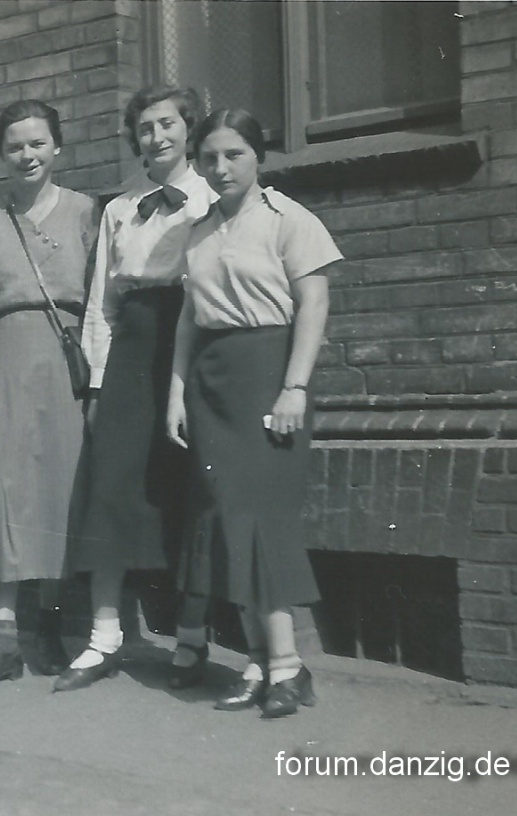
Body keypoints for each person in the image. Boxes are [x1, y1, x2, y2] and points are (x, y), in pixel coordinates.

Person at [166, 108, 340, 718]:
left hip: (270, 375)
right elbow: (189, 319)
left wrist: (295, 387)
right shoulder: (196, 231)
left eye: (233, 154)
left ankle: (286, 665)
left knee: (260, 517)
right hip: (212, 383)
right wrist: (176, 393)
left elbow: (314, 303)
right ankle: (264, 664)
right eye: (208, 157)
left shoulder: (290, 219)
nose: (220, 168)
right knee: (224, 518)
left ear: (258, 156)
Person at [57, 86, 217, 693]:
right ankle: (104, 637)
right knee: (112, 484)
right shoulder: (119, 208)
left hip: (193, 336)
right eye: (146, 127)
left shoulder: (212, 196)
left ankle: (192, 638)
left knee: (189, 486)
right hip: (132, 346)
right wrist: (99, 384)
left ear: (189, 129)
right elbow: (102, 301)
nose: (157, 137)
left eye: (168, 124)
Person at [0, 101, 98, 691]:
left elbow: (101, 300)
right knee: (2, 492)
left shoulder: (85, 211)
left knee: (59, 493)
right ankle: (2, 641)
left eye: (37, 143)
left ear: (56, 147)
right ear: (0, 153)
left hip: (65, 357)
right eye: (15, 145)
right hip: (4, 357)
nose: (27, 155)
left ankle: (50, 627)